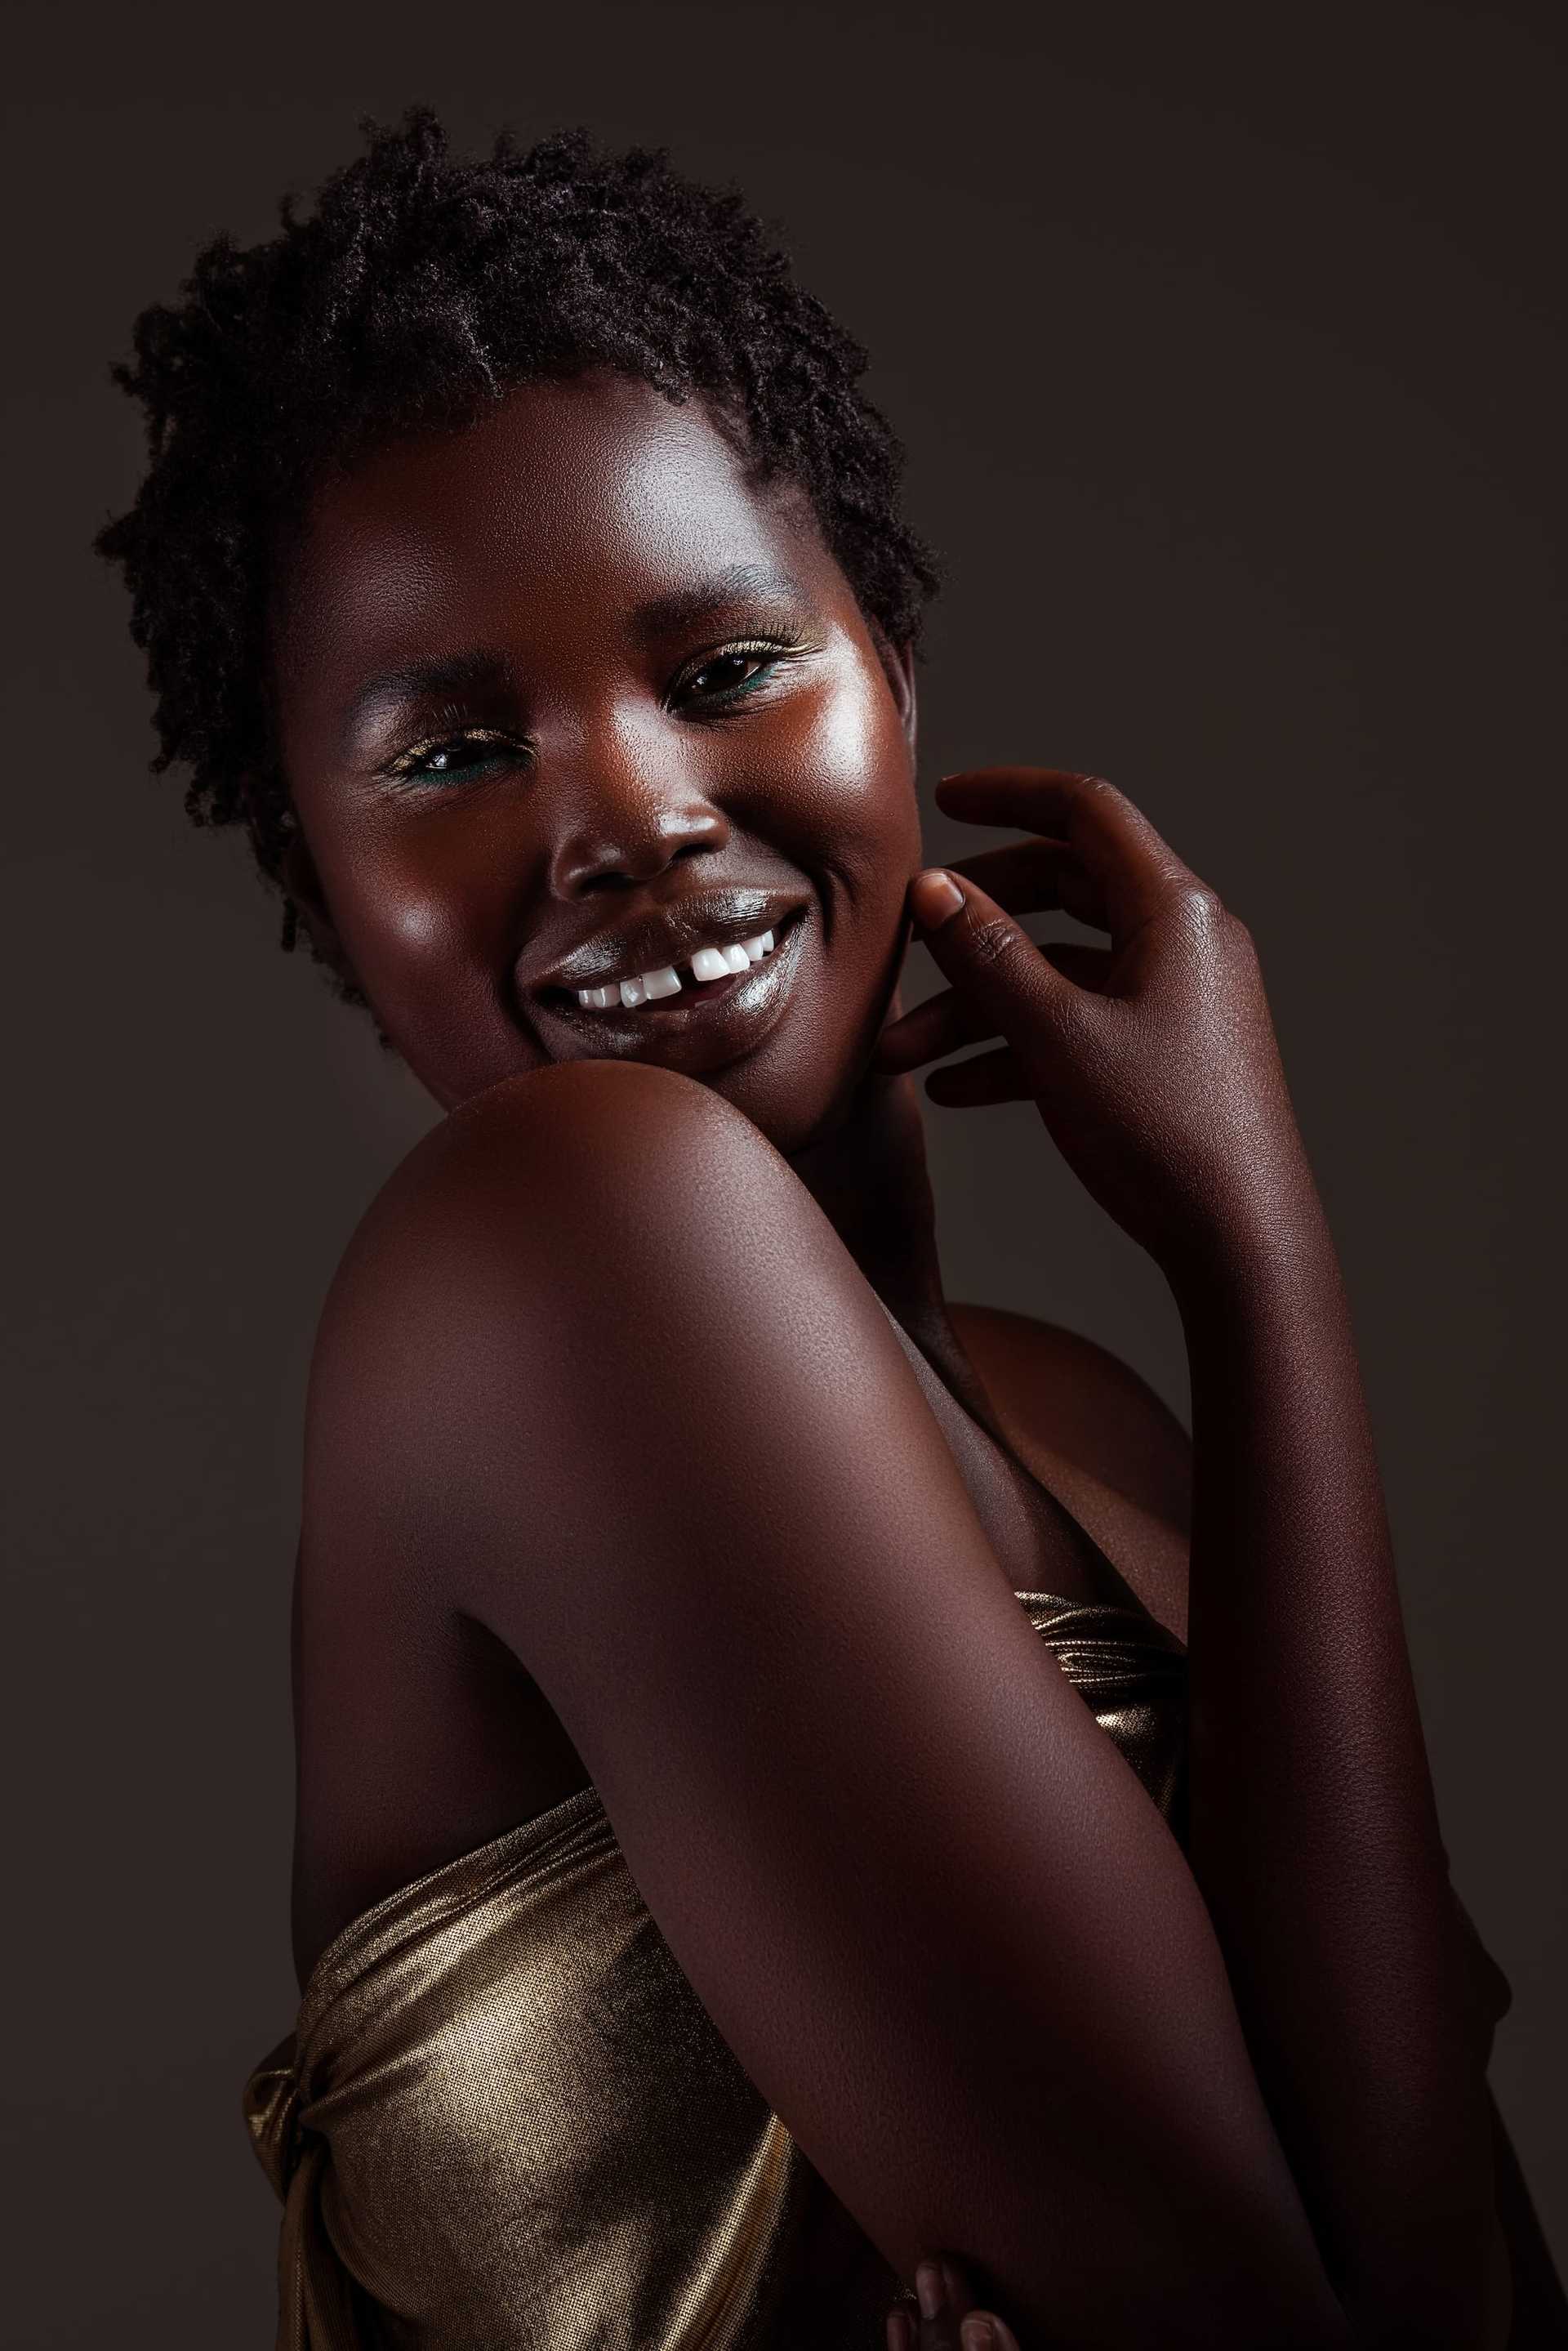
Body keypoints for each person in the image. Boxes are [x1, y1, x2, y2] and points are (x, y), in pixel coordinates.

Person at [94, 106, 1565, 2351]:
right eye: (447, 754)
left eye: (721, 671)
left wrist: (1254, 1262)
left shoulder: (1092, 1423)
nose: (632, 815)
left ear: (895, 683)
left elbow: (1449, 2257)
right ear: (321, 897)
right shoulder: (558, 1241)